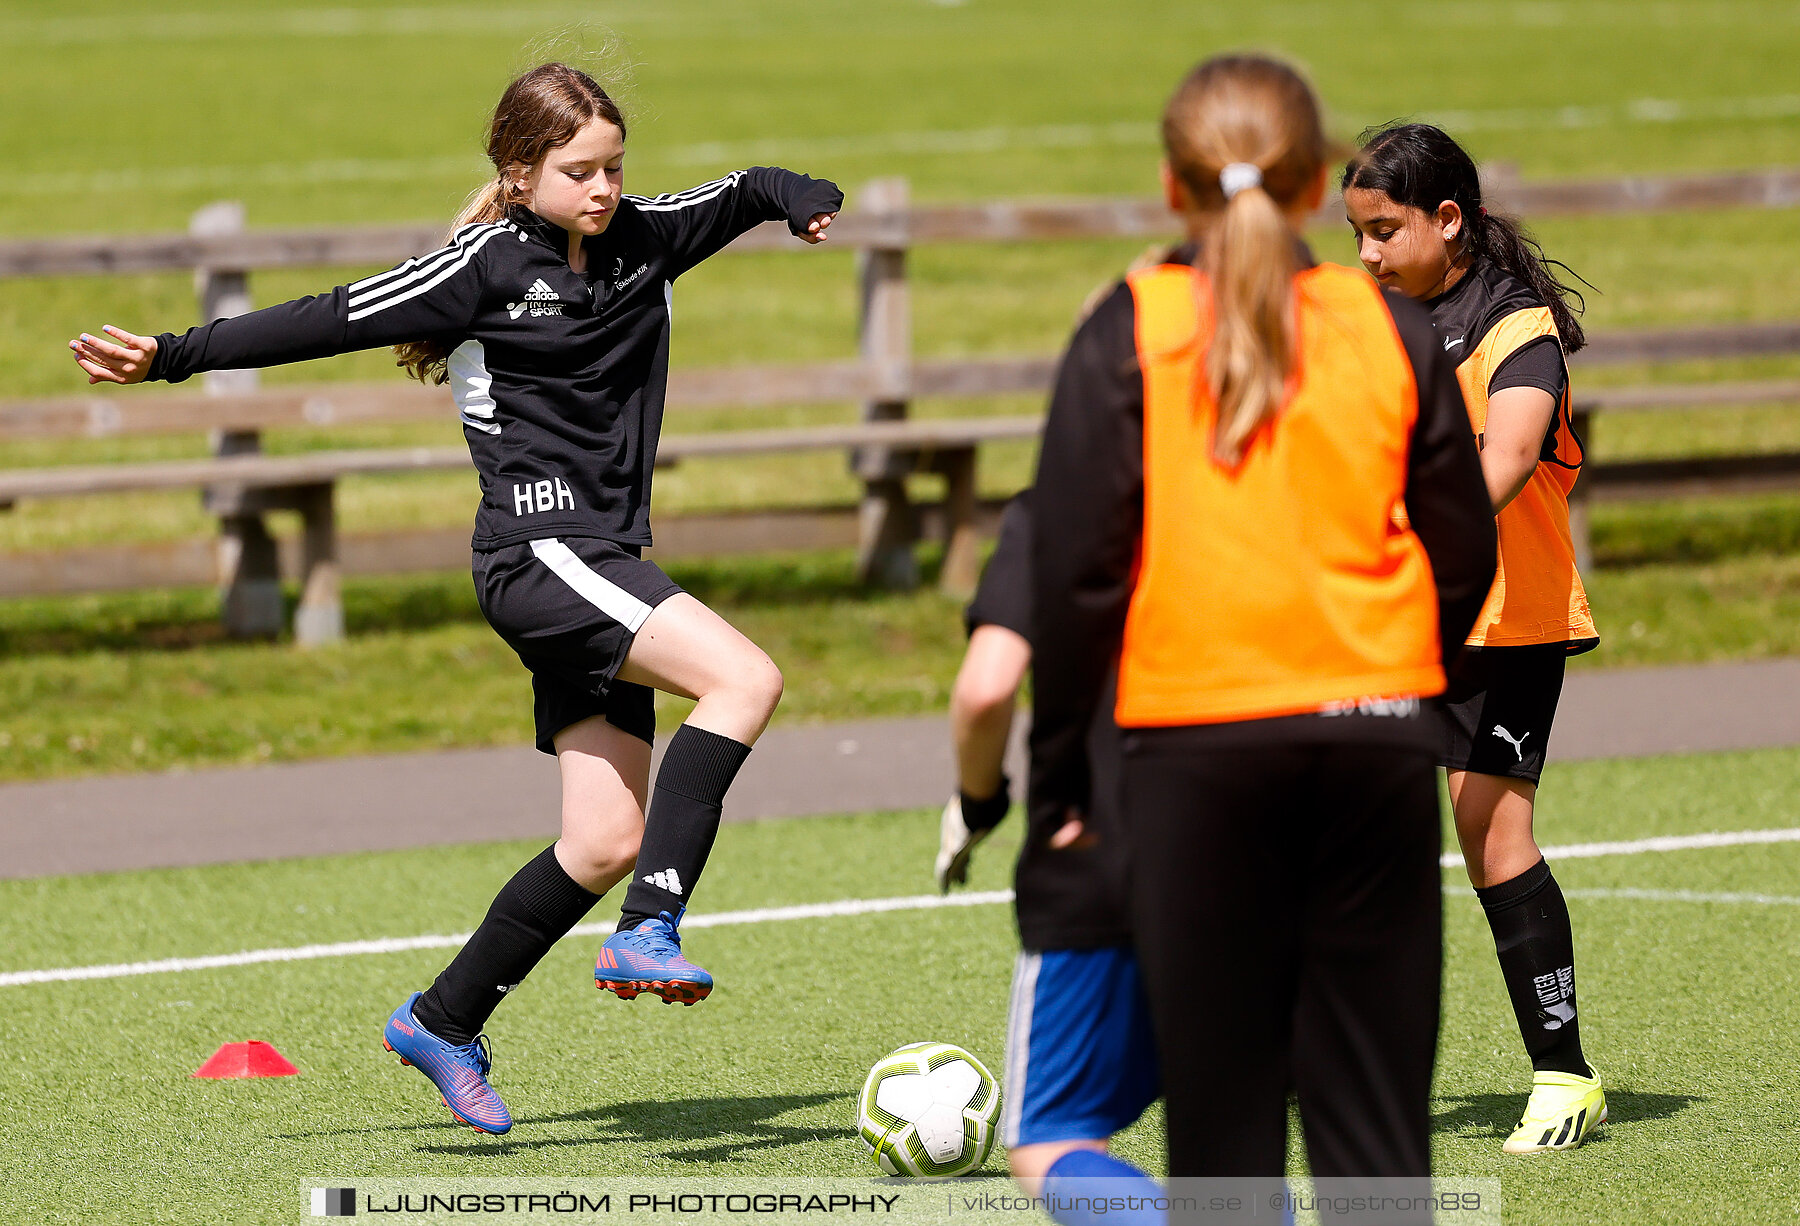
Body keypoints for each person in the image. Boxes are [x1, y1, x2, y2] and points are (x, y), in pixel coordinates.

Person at [69, 62, 841, 1135]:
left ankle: (443, 1016)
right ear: (519, 173)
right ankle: (652, 926)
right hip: (541, 553)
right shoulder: (480, 265)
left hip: (601, 559)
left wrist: (804, 196)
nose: (605, 187)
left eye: (615, 165)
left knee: (604, 837)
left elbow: (750, 187)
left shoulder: (646, 240)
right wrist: (174, 356)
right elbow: (328, 316)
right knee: (746, 676)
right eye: (580, 170)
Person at [1029, 52, 1496, 1208]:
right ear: (1310, 189)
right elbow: (1461, 543)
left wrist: (1058, 788)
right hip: (1376, 738)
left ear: (1168, 183)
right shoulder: (1387, 326)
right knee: (1379, 1140)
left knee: (1225, 1139)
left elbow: (1075, 578)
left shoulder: (1127, 327)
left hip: (1192, 749)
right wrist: (1400, 673)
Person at [1343, 123, 1606, 1154]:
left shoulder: (1516, 325)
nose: (1364, 254)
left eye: (1382, 231)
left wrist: (1394, 524)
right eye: (1355, 233)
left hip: (1506, 619)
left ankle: (1563, 1074)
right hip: (1397, 613)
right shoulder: (1378, 313)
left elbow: (1503, 460)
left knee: (1490, 833)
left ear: (1447, 220)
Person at [938, 489, 1164, 1226]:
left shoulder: (1056, 510)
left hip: (1110, 839)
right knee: (1234, 1140)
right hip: (1283, 841)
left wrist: (979, 800)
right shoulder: (1267, 490)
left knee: (1051, 1145)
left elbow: (985, 688)